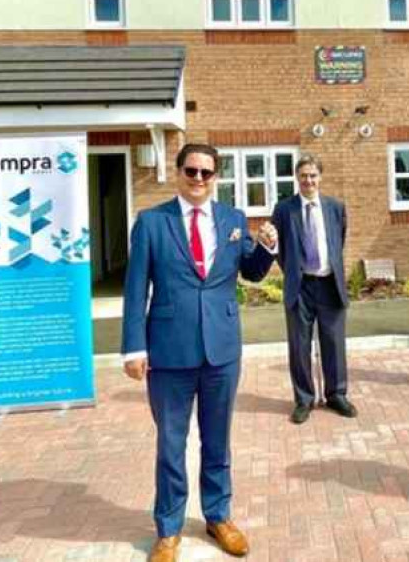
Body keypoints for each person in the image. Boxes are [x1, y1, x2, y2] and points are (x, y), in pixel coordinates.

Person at [122, 143, 278, 561]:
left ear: (216, 178)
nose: (198, 179)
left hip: (222, 350)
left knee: (217, 440)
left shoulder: (232, 220)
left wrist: (267, 247)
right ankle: (169, 530)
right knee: (171, 443)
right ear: (178, 172)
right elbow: (136, 288)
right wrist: (133, 348)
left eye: (206, 173)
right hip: (168, 351)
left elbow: (252, 272)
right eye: (191, 171)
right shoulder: (152, 223)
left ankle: (218, 516)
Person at [271, 153, 357, 425]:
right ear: (296, 178)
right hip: (301, 286)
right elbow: (279, 249)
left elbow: (337, 242)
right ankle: (304, 399)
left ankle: (336, 394)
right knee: (299, 346)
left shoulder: (335, 207)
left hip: (330, 284)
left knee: (334, 342)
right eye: (303, 175)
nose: (308, 180)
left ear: (320, 177)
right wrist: (294, 271)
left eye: (313, 175)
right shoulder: (284, 209)